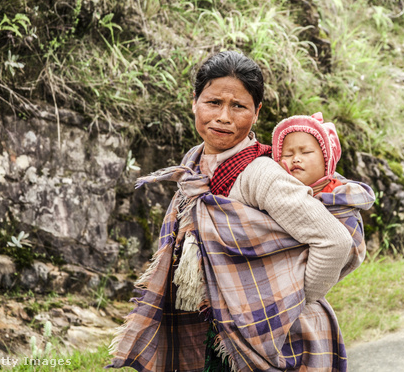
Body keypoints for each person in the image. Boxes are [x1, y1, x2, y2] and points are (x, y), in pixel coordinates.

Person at [108, 51, 374, 372]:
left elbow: (334, 241)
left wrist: (286, 305)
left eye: (238, 106)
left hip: (267, 335)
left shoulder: (260, 174)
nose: (223, 117)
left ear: (257, 112)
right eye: (213, 102)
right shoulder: (194, 163)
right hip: (216, 329)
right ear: (194, 101)